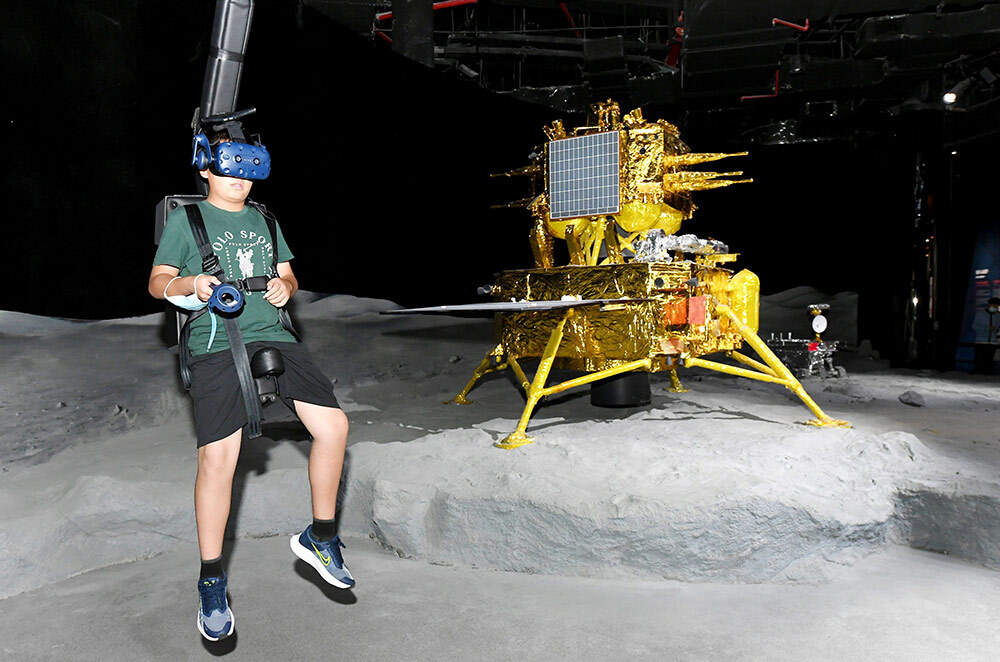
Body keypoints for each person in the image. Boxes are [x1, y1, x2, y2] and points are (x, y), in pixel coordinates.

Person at [148, 134, 353, 642]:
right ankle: (212, 578)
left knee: (333, 427)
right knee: (220, 457)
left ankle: (320, 537)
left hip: (274, 332)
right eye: (229, 169)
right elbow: (158, 281)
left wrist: (288, 286)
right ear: (206, 171)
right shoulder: (187, 220)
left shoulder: (265, 218)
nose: (239, 178)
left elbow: (286, 275)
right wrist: (191, 286)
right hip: (215, 337)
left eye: (248, 169)